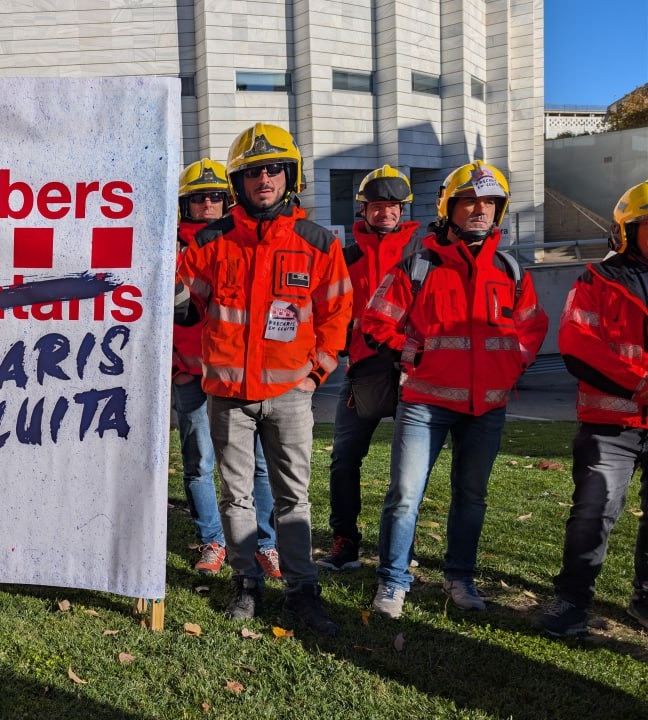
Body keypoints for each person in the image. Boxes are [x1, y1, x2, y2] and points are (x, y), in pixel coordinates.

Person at [175, 123, 351, 635]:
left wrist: (318, 370)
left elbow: (337, 311)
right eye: (252, 172)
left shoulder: (317, 242)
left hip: (292, 395)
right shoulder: (211, 240)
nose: (264, 179)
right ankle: (247, 582)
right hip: (227, 396)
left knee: (294, 496)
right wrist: (168, 278)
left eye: (273, 168)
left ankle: (303, 591)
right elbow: (188, 311)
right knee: (236, 495)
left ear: (289, 175)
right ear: (239, 183)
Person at [361, 160, 548, 619]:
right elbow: (376, 320)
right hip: (425, 403)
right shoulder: (417, 265)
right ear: (450, 207)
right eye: (470, 201)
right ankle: (393, 580)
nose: (480, 209)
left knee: (472, 496)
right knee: (405, 495)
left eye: (490, 202)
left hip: (487, 406)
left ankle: (459, 578)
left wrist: (510, 366)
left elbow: (532, 327)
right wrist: (413, 357)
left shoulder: (510, 269)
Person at [541, 181, 648, 637]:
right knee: (594, 511)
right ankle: (572, 601)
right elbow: (577, 346)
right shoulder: (598, 280)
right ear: (627, 230)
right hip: (611, 426)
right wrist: (641, 383)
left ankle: (645, 599)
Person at [172, 159, 280, 579]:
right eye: (198, 198)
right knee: (199, 461)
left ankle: (264, 544)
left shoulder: (244, 242)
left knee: (258, 464)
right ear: (185, 204)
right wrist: (176, 366)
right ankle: (212, 540)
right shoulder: (170, 247)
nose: (209, 205)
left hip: (238, 374)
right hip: (190, 373)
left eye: (217, 196)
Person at [319, 166, 423, 571]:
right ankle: (345, 541)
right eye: (377, 206)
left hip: (412, 369)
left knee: (408, 466)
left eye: (393, 207)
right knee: (345, 459)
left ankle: (401, 548)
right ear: (362, 210)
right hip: (363, 368)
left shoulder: (422, 253)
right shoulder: (345, 257)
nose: (386, 214)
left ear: (402, 211)